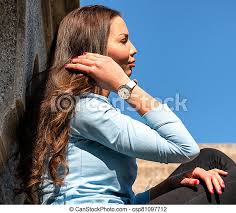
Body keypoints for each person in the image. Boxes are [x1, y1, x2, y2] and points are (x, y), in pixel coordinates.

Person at [16, 5, 236, 205]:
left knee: (209, 159)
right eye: (123, 40)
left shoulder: (79, 107)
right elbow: (184, 148)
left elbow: (121, 200)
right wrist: (126, 87)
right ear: (96, 51)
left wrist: (170, 185)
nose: (134, 49)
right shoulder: (83, 109)